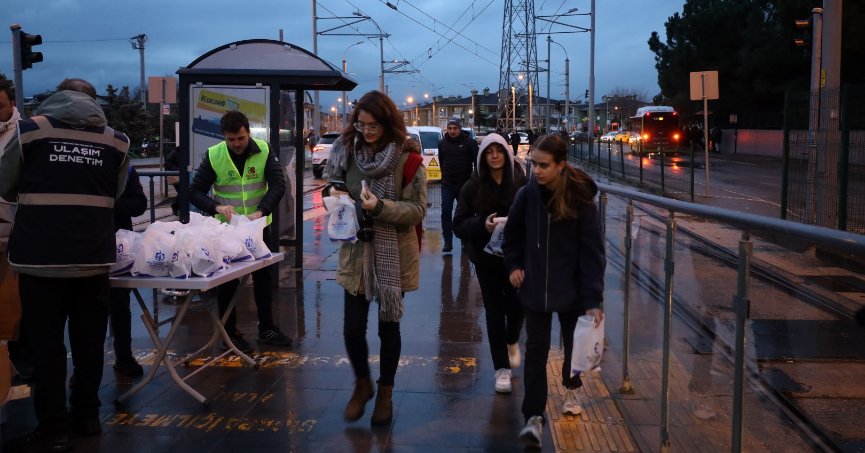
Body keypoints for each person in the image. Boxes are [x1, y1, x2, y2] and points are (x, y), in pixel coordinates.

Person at [0, 78, 130, 451]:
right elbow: (115, 193)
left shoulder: (29, 133)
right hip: (93, 259)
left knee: (47, 347)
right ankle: (88, 418)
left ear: (55, 97)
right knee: (90, 344)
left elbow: (5, 185)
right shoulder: (116, 141)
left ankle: (53, 428)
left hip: (40, 262)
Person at [324, 90, 427, 426]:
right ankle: (362, 383)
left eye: (373, 126)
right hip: (355, 251)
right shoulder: (346, 150)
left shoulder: (408, 158)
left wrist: (379, 207)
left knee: (388, 329)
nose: (365, 132)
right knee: (352, 329)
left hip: (393, 254)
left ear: (388, 123)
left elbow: (417, 210)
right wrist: (335, 195)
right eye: (361, 124)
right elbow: (332, 184)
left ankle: (385, 392)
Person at [502, 134, 606, 449]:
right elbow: (512, 235)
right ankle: (533, 417)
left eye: (543, 165)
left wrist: (593, 299)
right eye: (533, 163)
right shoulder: (527, 194)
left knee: (574, 344)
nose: (536, 170)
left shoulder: (580, 198)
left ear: (561, 165)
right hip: (534, 287)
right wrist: (514, 265)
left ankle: (571, 387)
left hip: (571, 288)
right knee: (536, 350)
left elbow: (592, 252)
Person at [189, 110, 291, 353]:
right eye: (231, 139)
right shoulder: (215, 156)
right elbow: (194, 191)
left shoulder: (264, 151)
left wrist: (262, 211)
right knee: (227, 282)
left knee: (264, 279)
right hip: (227, 232)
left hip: (257, 228)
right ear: (224, 137)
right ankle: (230, 333)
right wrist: (216, 206)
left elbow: (278, 184)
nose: (236, 144)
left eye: (241, 138)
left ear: (248, 133)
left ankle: (267, 328)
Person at [453, 133, 527, 394]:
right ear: (482, 156)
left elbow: (533, 215)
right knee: (494, 312)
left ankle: (512, 338)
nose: (494, 156)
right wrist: (482, 224)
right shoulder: (472, 186)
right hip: (485, 259)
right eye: (489, 151)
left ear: (507, 154)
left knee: (517, 307)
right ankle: (501, 369)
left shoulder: (520, 182)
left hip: (516, 258)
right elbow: (459, 224)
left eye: (499, 151)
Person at [110, 166, 148, 377]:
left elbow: (140, 204)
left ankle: (123, 356)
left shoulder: (125, 168)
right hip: (86, 245)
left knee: (120, 306)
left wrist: (111, 205)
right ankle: (83, 371)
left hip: (119, 246)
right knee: (85, 309)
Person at [437, 117, 478, 253]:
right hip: (448, 184)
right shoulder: (442, 143)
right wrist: (444, 177)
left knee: (464, 214)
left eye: (455, 128)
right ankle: (447, 242)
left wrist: (474, 180)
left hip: (465, 185)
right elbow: (441, 161)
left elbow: (476, 163)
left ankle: (464, 241)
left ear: (460, 129)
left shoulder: (470, 143)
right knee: (446, 212)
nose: (452, 131)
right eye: (450, 128)